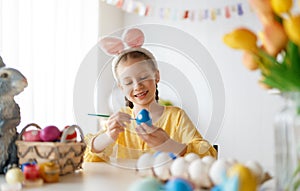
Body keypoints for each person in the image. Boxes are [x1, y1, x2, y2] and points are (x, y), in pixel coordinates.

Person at [84, 29, 217, 162]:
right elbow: (87, 157)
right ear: (121, 87)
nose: (137, 86)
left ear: (156, 76)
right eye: (128, 82)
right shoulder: (120, 121)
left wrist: (170, 145)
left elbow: (209, 155)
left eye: (143, 77)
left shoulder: (176, 117)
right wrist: (108, 136)